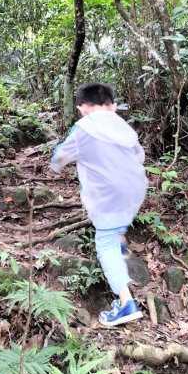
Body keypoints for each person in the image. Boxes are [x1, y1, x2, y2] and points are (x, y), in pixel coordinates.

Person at [51, 82, 147, 326]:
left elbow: (61, 156)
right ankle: (121, 244)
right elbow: (140, 155)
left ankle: (126, 304)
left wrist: (56, 166)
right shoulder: (122, 126)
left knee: (104, 243)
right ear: (112, 106)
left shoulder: (84, 127)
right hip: (135, 189)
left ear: (83, 107)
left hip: (107, 194)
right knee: (117, 224)